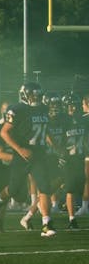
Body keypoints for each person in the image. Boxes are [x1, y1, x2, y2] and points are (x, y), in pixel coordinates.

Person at [0, 82, 57, 237]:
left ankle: (46, 224)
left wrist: (54, 145)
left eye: (37, 94)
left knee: (45, 186)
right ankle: (0, 197)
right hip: (22, 155)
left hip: (39, 154)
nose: (36, 97)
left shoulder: (43, 108)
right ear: (25, 95)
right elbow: (4, 132)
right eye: (33, 94)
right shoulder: (17, 109)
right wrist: (20, 149)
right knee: (14, 189)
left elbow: (44, 130)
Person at [61, 92, 86, 229]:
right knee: (70, 188)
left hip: (81, 157)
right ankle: (72, 219)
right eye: (70, 106)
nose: (73, 108)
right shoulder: (62, 122)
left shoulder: (83, 120)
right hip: (68, 159)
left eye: (74, 106)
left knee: (81, 186)